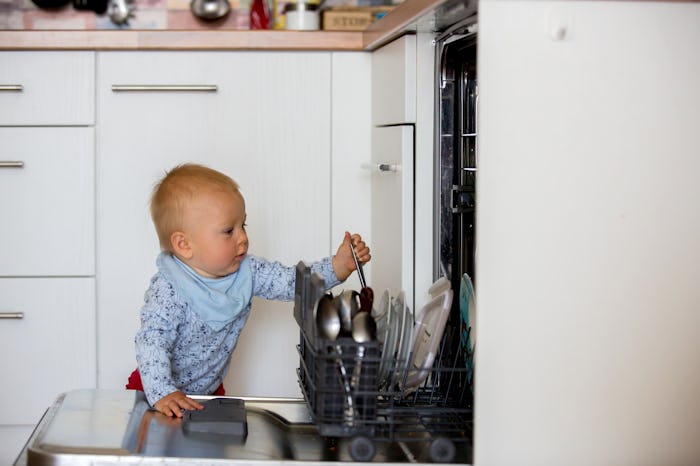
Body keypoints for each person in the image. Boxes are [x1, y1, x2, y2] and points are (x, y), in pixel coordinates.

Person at [126, 163, 371, 417]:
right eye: (229, 231)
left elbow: (290, 282)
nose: (242, 237)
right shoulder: (169, 289)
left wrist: (337, 266)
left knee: (205, 454)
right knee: (159, 455)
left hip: (206, 394)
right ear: (184, 244)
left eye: (243, 225)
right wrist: (163, 392)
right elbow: (151, 341)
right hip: (156, 396)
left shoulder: (248, 271)